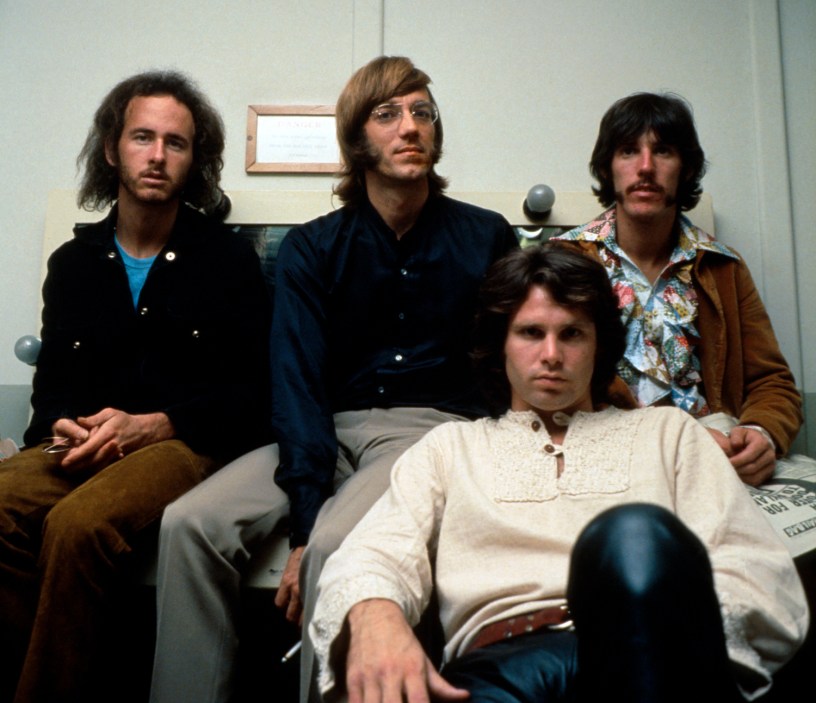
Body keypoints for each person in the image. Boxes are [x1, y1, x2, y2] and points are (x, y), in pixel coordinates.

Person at [149, 55, 518, 703]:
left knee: (336, 544)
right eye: (387, 114)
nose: (410, 126)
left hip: (430, 432)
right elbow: (296, 384)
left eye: (422, 112)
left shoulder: (485, 237)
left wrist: (309, 535)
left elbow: (511, 360)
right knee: (188, 524)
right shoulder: (313, 247)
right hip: (326, 426)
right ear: (356, 139)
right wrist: (304, 509)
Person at [311, 243, 808, 703]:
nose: (551, 355)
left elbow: (753, 567)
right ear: (501, 344)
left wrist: (687, 647)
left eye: (572, 333)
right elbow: (373, 553)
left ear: (599, 346)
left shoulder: (669, 433)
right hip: (497, 669)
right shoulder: (450, 448)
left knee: (631, 532)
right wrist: (373, 612)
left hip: (649, 654)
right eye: (531, 333)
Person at [0, 70, 271, 703]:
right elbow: (51, 389)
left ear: (193, 159)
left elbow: (253, 396)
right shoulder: (73, 263)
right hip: (83, 441)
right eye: (142, 137)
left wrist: (157, 424)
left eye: (175, 143)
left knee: (78, 526)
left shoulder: (227, 261)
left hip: (181, 445)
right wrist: (60, 421)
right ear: (110, 148)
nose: (157, 155)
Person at [553, 92, 803, 488]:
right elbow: (547, 384)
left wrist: (762, 433)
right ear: (607, 167)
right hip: (607, 456)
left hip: (715, 460)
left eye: (663, 151)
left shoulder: (722, 267)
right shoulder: (564, 263)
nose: (646, 167)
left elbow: (772, 383)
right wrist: (671, 440)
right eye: (628, 151)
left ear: (685, 169)